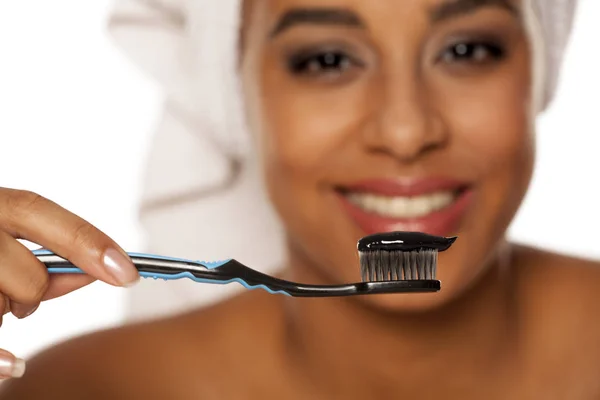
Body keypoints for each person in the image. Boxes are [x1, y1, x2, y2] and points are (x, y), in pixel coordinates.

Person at [0, 0, 596, 398]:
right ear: (236, 96)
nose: (406, 131)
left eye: (465, 51)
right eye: (327, 60)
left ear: (538, 67)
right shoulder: (83, 389)